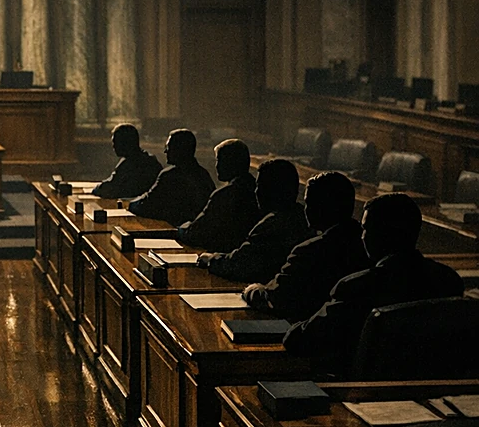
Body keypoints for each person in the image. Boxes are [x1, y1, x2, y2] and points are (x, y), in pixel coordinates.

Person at [284, 193, 464, 375]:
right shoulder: (449, 280)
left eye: (366, 229)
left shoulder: (357, 287)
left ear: (381, 235)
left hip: (364, 393)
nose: (362, 237)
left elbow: (300, 341)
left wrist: (297, 324)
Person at [242, 171, 369, 321]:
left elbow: (276, 298)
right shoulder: (366, 246)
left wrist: (252, 290)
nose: (306, 210)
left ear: (322, 207)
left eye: (309, 203)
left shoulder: (309, 252)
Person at [198, 159, 312, 283]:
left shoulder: (270, 226)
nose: (256, 191)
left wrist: (211, 259)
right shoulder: (304, 219)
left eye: (260, 186)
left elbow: (238, 264)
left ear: (272, 191)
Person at [176, 139, 261, 252]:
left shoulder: (224, 195)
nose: (216, 166)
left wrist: (181, 230)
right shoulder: (257, 191)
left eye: (218, 160)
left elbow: (196, 233)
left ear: (230, 162)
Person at [126, 129, 216, 227]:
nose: (165, 151)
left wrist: (130, 205)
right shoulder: (203, 174)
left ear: (179, 149)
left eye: (168, 147)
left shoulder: (170, 175)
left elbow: (146, 204)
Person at [91, 124, 163, 199]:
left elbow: (109, 188)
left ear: (125, 142)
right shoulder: (149, 160)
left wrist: (96, 189)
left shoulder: (130, 164)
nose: (113, 146)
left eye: (116, 142)